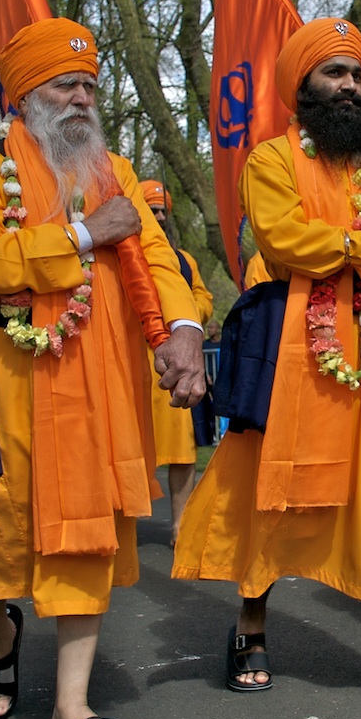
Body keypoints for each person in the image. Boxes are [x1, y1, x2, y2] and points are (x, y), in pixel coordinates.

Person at [174, 18, 361, 710]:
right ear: (301, 85)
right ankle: (250, 628)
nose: (349, 86)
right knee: (273, 497)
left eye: (354, 74)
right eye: (334, 73)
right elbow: (283, 240)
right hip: (299, 357)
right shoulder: (271, 160)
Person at [0, 18, 205, 719]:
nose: (82, 97)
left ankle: (70, 709)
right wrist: (84, 239)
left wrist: (181, 326)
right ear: (23, 96)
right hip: (1, 389)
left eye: (89, 84)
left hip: (94, 394)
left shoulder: (112, 170)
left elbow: (155, 255)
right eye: (65, 84)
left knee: (86, 540)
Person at [139, 179, 214, 546]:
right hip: (134, 366)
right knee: (126, 448)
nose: (159, 216)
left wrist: (185, 316)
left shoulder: (184, 260)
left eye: (162, 210)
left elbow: (202, 296)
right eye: (151, 210)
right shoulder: (121, 255)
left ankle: (180, 525)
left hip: (175, 363)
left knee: (182, 451)